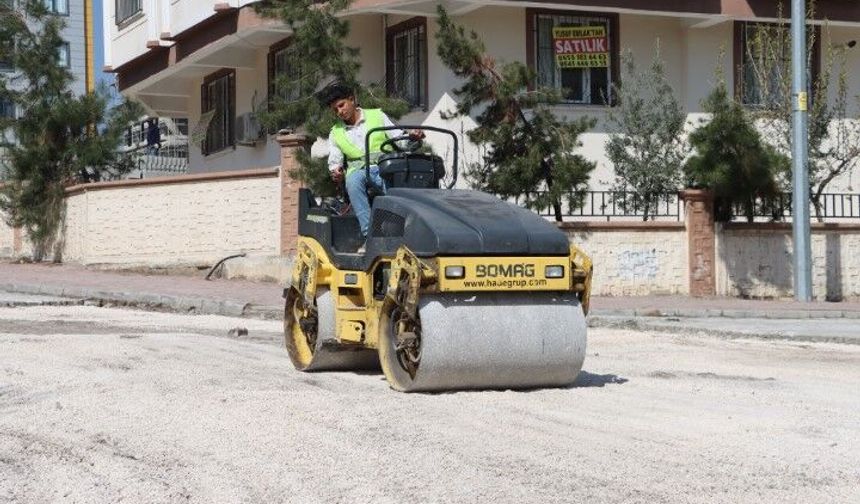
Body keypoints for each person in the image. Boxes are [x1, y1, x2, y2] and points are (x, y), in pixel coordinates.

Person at [322, 84, 424, 242]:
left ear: (352, 99)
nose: (340, 112)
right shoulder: (335, 132)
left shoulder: (377, 115)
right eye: (335, 110)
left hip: (385, 167)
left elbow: (399, 138)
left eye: (341, 105)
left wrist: (412, 138)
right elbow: (335, 160)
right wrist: (336, 170)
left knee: (396, 190)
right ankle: (369, 236)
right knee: (353, 181)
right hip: (359, 172)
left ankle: (404, 232)